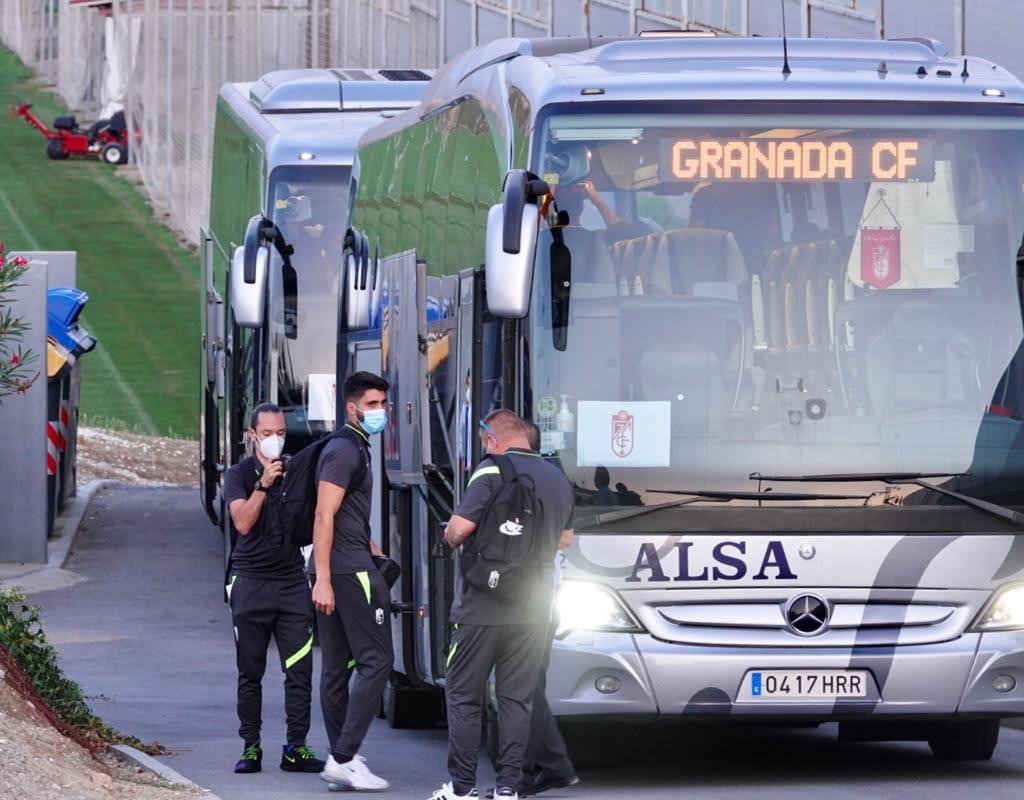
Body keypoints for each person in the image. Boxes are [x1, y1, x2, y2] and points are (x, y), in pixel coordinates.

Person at [429, 410, 575, 800]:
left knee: (463, 695)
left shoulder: (491, 470)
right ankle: (509, 788)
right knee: (515, 698)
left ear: (493, 439)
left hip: (482, 605)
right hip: (534, 607)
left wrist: (446, 534)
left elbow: (459, 530)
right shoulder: (558, 477)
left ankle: (461, 789)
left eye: (483, 443)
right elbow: (566, 540)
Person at [223, 402, 325, 776]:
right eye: (267, 433)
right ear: (252, 435)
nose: (275, 440)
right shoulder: (238, 475)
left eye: (281, 432)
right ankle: (251, 747)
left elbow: (320, 516)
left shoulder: (295, 470)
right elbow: (242, 522)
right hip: (250, 582)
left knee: (299, 671)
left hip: (291, 583)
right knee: (250, 671)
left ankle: (295, 747)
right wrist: (263, 485)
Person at [312, 371, 393, 792]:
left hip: (346, 563)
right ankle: (343, 756)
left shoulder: (351, 447)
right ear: (352, 407)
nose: (380, 412)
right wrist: (323, 578)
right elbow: (323, 515)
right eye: (373, 405)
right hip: (347, 572)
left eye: (383, 404)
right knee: (377, 661)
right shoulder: (346, 450)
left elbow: (343, 514)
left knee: (336, 668)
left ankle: (340, 756)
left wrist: (367, 541)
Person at [518, 423, 579, 796]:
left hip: (527, 594)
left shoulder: (520, 478)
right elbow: (567, 538)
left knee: (520, 686)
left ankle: (531, 772)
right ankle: (554, 763)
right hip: (549, 592)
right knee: (530, 682)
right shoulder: (557, 479)